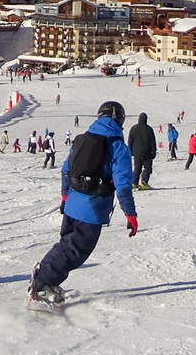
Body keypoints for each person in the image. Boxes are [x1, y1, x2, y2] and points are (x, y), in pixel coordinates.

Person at [30, 100, 137, 306]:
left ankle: (46, 278)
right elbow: (123, 185)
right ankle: (42, 283)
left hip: (72, 202)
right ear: (120, 120)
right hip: (92, 208)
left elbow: (65, 170)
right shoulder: (119, 147)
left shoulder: (82, 139)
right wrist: (130, 215)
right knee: (74, 251)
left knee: (66, 244)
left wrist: (64, 196)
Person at [127, 112, 157, 190]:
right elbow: (152, 142)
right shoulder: (148, 129)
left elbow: (130, 140)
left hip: (136, 153)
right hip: (147, 153)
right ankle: (144, 183)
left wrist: (130, 150)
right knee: (147, 168)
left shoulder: (133, 128)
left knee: (137, 168)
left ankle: (134, 183)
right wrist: (153, 151)